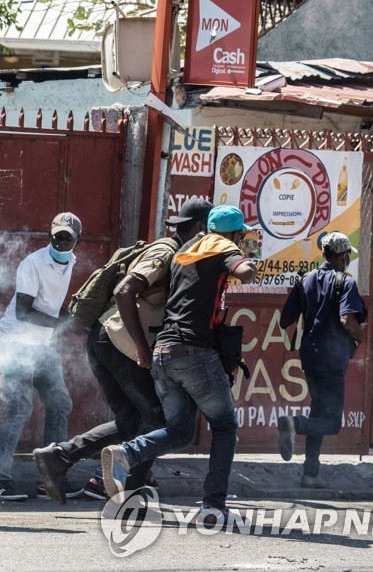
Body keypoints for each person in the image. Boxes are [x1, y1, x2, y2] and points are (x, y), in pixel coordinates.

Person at [33, 198, 213, 504]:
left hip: (111, 342)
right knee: (157, 419)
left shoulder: (181, 254)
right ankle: (131, 492)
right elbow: (124, 290)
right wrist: (143, 349)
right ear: (198, 228)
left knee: (130, 420)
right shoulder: (165, 251)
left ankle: (59, 457)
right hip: (118, 343)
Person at [101, 204, 257, 525]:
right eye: (240, 233)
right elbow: (245, 272)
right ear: (234, 233)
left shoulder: (186, 250)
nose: (240, 238)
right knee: (225, 426)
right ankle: (213, 505)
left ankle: (126, 454)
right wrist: (249, 260)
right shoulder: (221, 244)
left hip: (163, 352)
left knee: (180, 431)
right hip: (193, 352)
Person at [0, 212, 81, 501]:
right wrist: (64, 324)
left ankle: (51, 479)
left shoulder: (70, 263)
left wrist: (77, 320)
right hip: (15, 344)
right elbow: (24, 311)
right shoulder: (33, 263)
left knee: (60, 403)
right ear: (50, 235)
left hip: (41, 346)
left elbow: (52, 307)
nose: (61, 242)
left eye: (67, 238)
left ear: (77, 240)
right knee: (20, 409)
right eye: (57, 236)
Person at [277, 231, 366, 488]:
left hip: (310, 358)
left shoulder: (305, 280)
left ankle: (310, 474)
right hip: (332, 359)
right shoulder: (345, 283)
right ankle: (292, 424)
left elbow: (285, 321)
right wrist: (360, 338)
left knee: (318, 411)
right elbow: (347, 320)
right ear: (343, 255)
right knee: (333, 423)